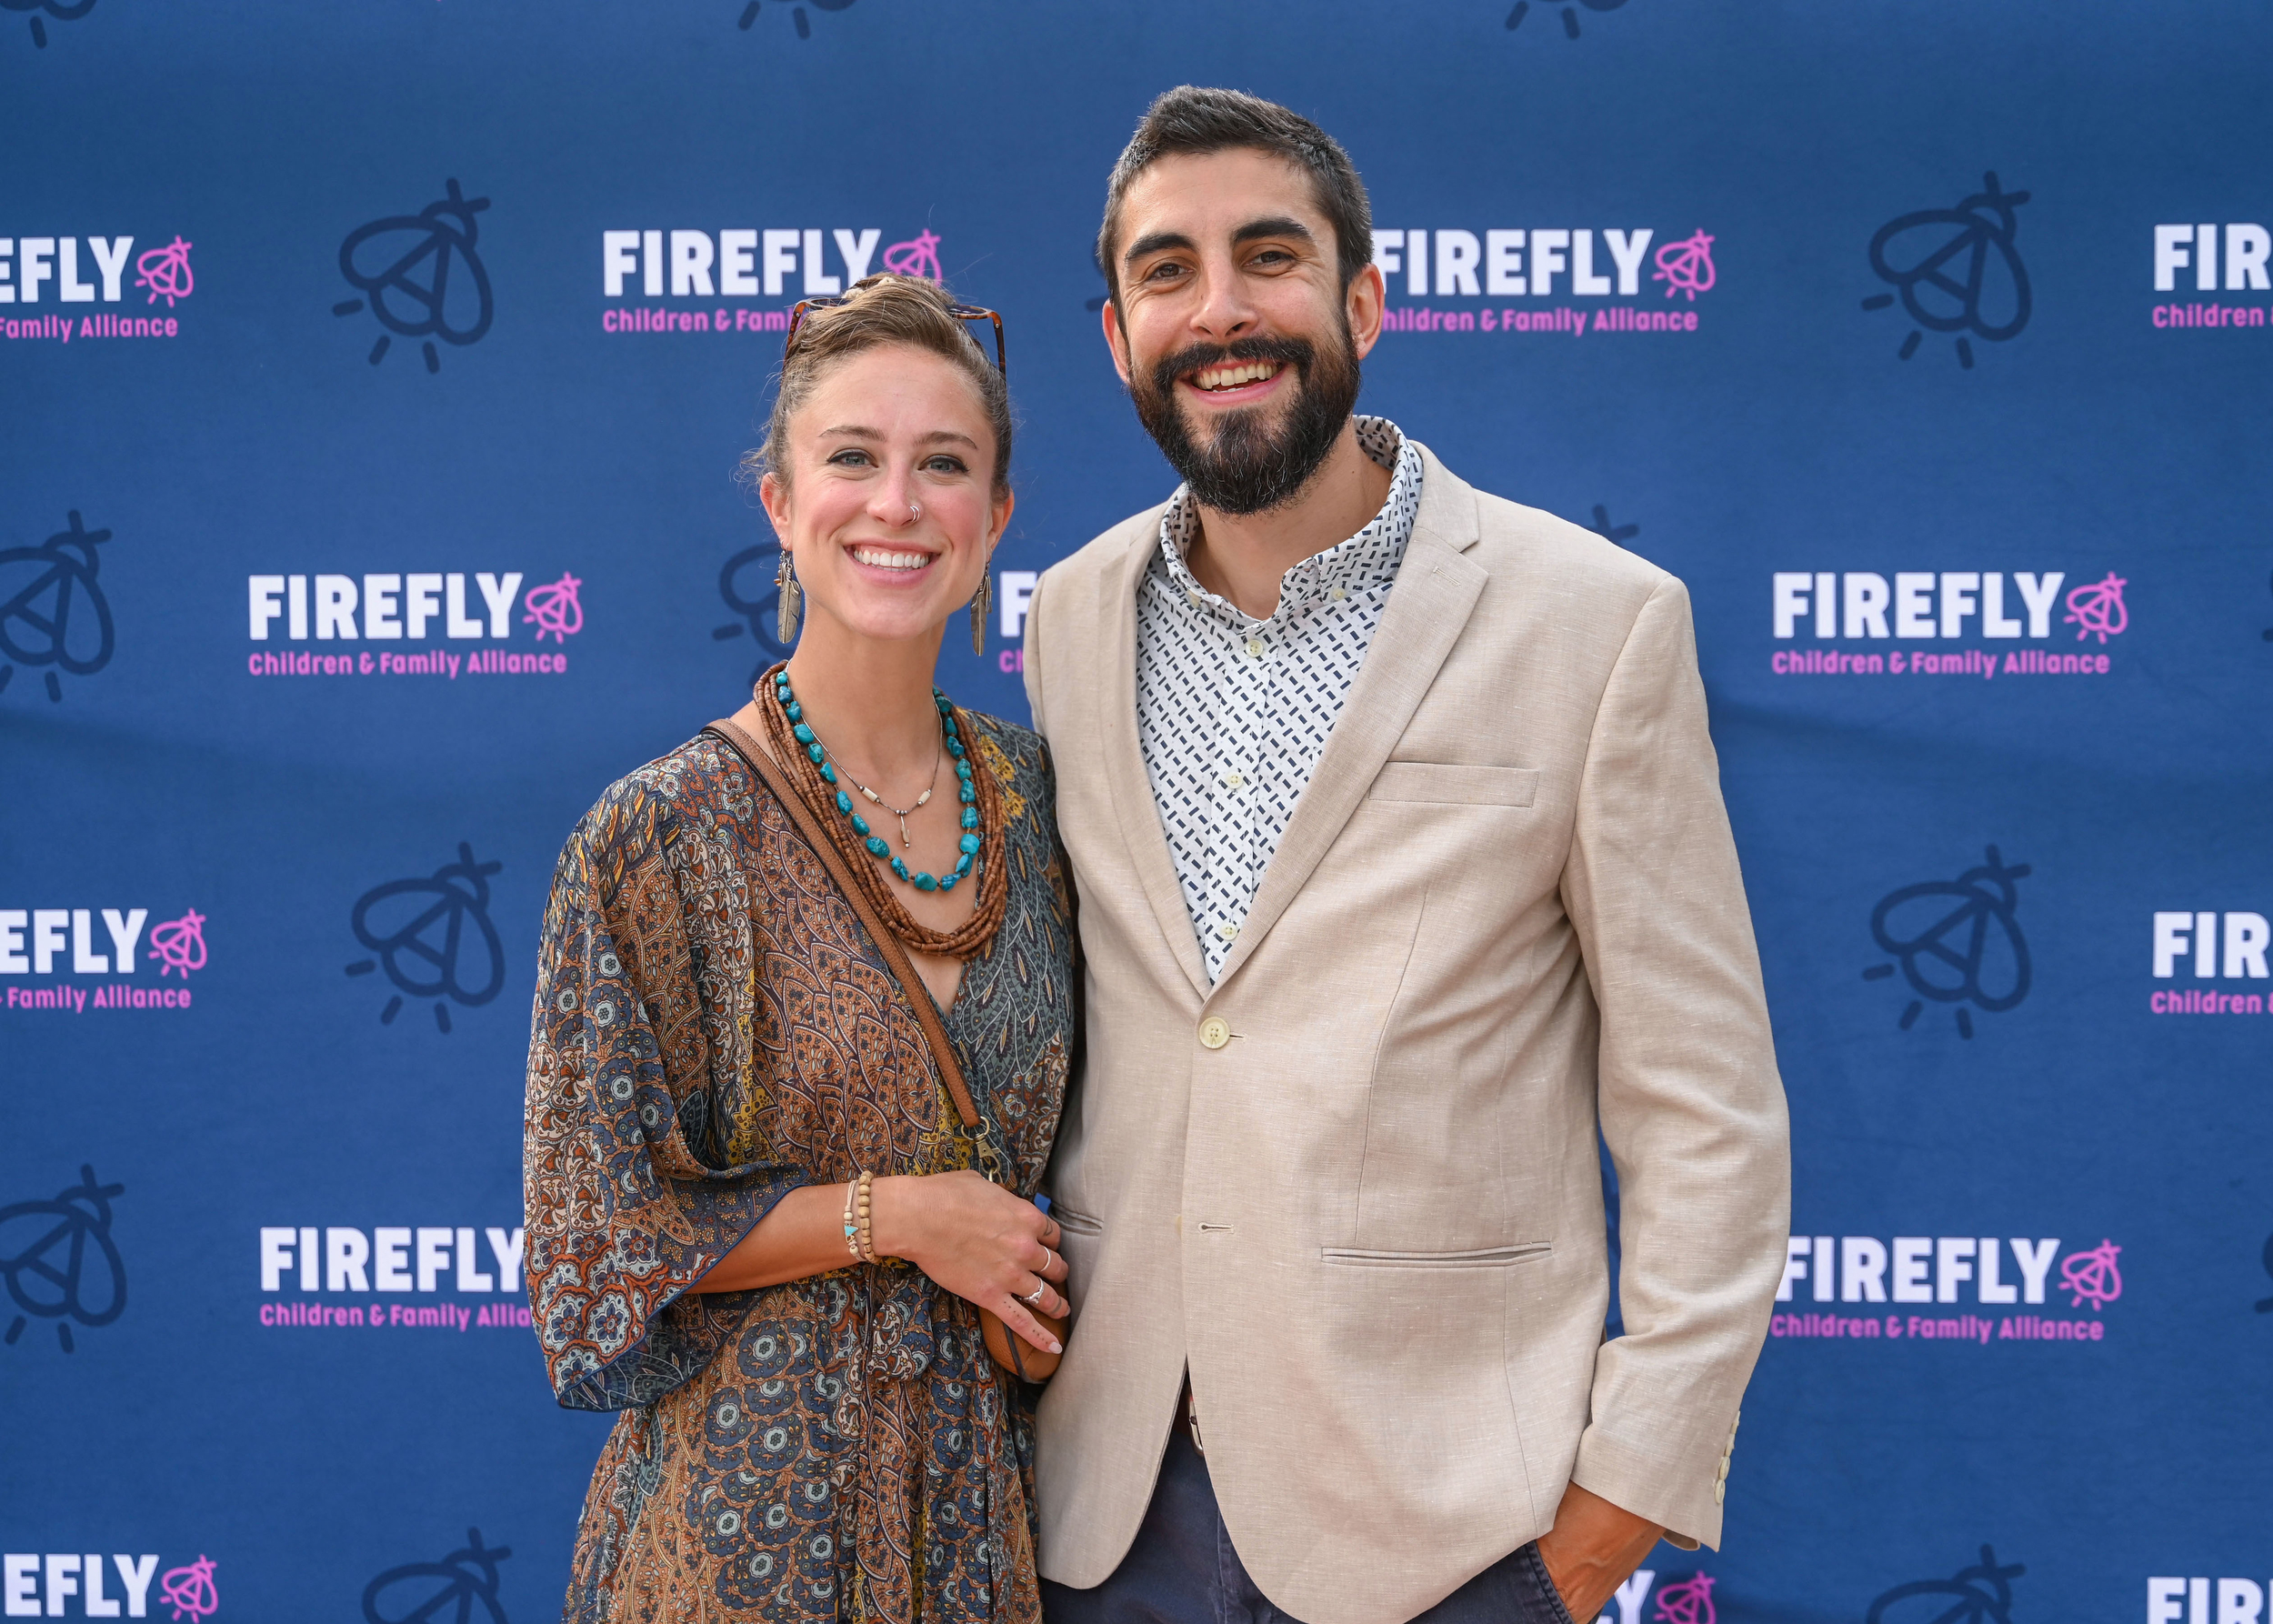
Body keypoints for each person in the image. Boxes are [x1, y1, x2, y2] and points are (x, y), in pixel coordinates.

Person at [1023, 88, 1792, 1624]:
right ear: (1116, 336)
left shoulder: (1594, 621)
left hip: (1448, 1541)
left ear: (1364, 301)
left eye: (1269, 257)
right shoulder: (1072, 616)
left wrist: (1594, 1541)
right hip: (1104, 1527)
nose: (1219, 310)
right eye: (1168, 271)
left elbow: (1706, 1111)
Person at [525, 274, 1078, 1624]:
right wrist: (902, 1217)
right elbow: (591, 1245)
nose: (897, 503)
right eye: (852, 458)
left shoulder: (1046, 801)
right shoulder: (657, 837)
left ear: (997, 517)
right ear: (780, 503)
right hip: (738, 1528)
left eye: (943, 464)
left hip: (976, 1520)